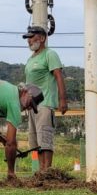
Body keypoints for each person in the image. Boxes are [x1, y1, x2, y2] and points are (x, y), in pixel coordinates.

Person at [22, 24, 67, 171]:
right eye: (27, 38)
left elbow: (58, 76)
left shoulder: (50, 54)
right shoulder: (30, 59)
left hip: (45, 104)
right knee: (35, 142)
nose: (29, 41)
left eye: (31, 37)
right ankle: (41, 172)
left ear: (41, 38)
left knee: (45, 139)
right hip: (32, 107)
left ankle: (47, 171)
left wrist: (62, 100)